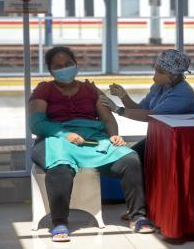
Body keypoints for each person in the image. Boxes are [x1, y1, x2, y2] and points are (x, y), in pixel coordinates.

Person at [28, 46, 155, 242]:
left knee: (130, 159)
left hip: (93, 139)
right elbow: (36, 124)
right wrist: (64, 134)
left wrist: (114, 136)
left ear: (76, 64)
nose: (64, 68)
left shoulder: (90, 89)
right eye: (58, 66)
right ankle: (60, 222)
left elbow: (108, 120)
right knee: (60, 165)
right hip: (55, 139)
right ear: (50, 70)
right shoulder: (44, 90)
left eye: (68, 64)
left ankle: (137, 215)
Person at [99, 49, 194, 165]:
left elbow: (149, 116)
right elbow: (140, 109)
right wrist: (123, 95)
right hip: (160, 138)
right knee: (127, 158)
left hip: (179, 143)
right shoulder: (160, 86)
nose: (156, 74)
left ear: (174, 75)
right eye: (156, 69)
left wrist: (117, 109)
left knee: (130, 162)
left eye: (160, 71)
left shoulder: (183, 93)